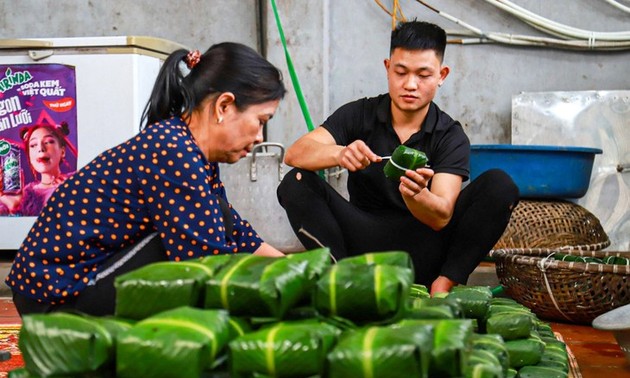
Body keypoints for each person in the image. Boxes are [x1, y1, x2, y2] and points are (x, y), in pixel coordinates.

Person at [6, 42, 287, 316]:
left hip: (79, 284)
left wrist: (296, 273)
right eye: (261, 120)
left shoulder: (191, 150)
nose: (260, 137)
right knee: (191, 258)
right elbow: (207, 262)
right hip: (55, 297)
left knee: (217, 215)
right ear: (224, 106)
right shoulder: (173, 150)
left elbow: (236, 232)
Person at [277, 20, 519, 296]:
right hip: (363, 242)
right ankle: (343, 279)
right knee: (296, 181)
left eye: (423, 75)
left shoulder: (449, 135)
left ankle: (444, 284)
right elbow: (295, 154)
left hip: (425, 250)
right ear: (387, 68)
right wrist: (340, 153)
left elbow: (440, 216)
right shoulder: (359, 114)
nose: (410, 85)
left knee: (499, 186)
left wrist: (417, 196)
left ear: (442, 75)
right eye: (400, 72)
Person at [0, 123, 77, 216]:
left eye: (48, 142)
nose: (40, 148)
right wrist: (14, 208)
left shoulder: (77, 181)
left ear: (63, 151)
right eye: (33, 145)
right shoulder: (25, 194)